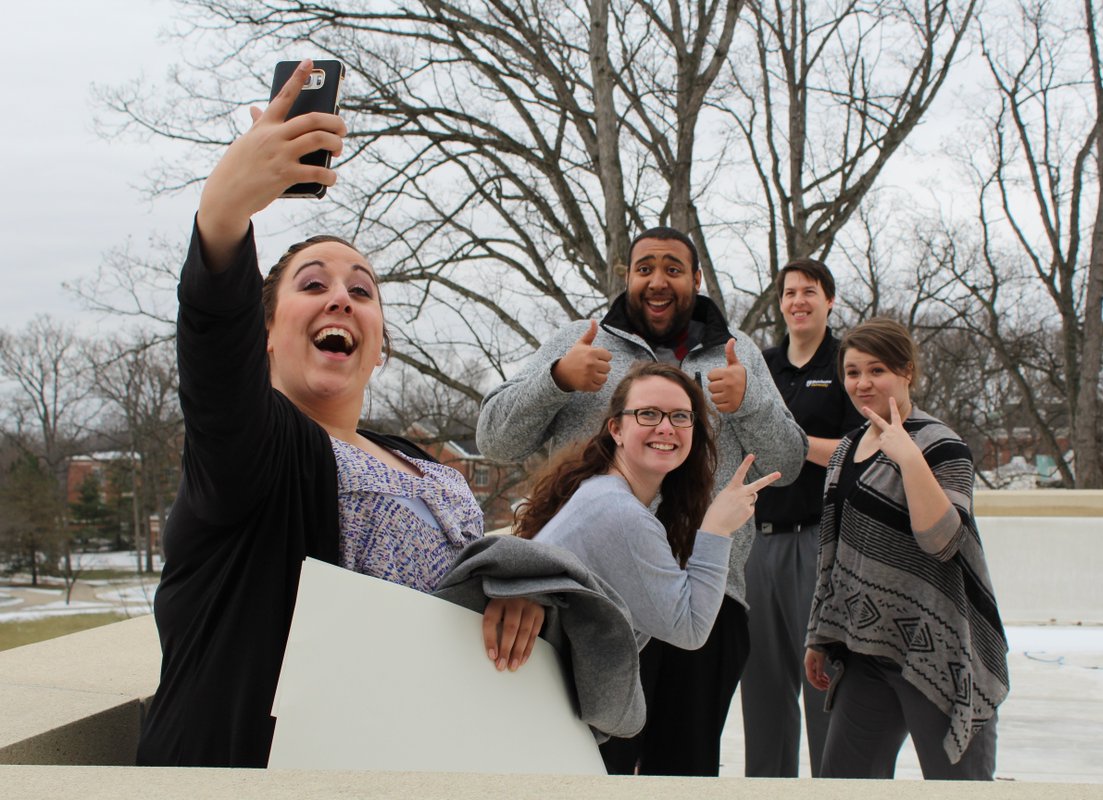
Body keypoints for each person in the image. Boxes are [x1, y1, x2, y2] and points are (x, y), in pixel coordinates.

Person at [137, 60, 543, 768]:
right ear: (263, 332)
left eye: (363, 290)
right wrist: (225, 213)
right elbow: (215, 366)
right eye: (313, 284)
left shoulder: (424, 465)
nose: (341, 299)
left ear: (378, 343)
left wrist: (512, 597)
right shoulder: (255, 450)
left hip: (415, 758)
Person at [477, 228, 807, 776]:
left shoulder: (738, 354)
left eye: (674, 268)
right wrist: (556, 381)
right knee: (584, 768)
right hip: (593, 598)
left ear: (696, 280)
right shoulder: (580, 341)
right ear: (626, 277)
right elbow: (494, 441)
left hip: (707, 596)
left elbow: (788, 464)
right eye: (645, 267)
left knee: (684, 774)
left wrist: (752, 405)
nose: (658, 280)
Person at [804, 317, 1009, 780]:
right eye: (852, 372)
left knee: (959, 786)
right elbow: (834, 556)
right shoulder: (846, 450)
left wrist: (908, 456)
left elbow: (942, 541)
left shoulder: (942, 446)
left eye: (877, 371)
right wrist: (819, 633)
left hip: (931, 645)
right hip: (863, 645)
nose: (862, 383)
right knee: (843, 783)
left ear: (907, 372)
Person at [513, 362, 780, 652]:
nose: (666, 428)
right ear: (616, 429)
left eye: (679, 416)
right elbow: (690, 629)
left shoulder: (600, 492)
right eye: (648, 414)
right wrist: (717, 528)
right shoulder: (619, 511)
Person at [741, 259, 862, 777]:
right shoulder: (762, 366)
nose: (798, 302)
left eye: (809, 292)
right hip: (756, 543)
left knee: (823, 682)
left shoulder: (846, 364)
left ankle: (834, 788)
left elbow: (861, 452)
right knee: (763, 688)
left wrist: (792, 446)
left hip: (819, 541)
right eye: (789, 292)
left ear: (829, 300)